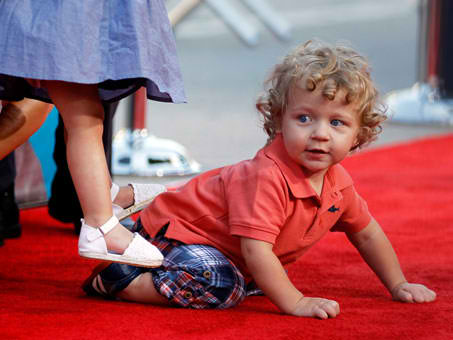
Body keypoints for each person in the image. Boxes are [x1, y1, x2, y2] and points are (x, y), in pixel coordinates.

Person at [83, 39, 436, 318]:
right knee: (221, 285)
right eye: (304, 118)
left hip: (223, 249)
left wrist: (398, 283)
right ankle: (122, 278)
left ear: (360, 134)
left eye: (337, 123)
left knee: (246, 279)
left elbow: (367, 232)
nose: (320, 134)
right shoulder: (268, 176)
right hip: (176, 234)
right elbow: (256, 248)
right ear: (279, 120)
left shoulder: (338, 183)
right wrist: (294, 302)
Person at [0, 1, 185, 267]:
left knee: (85, 114)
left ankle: (102, 195)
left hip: (68, 14)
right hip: (62, 15)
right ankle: (100, 226)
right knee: (84, 117)